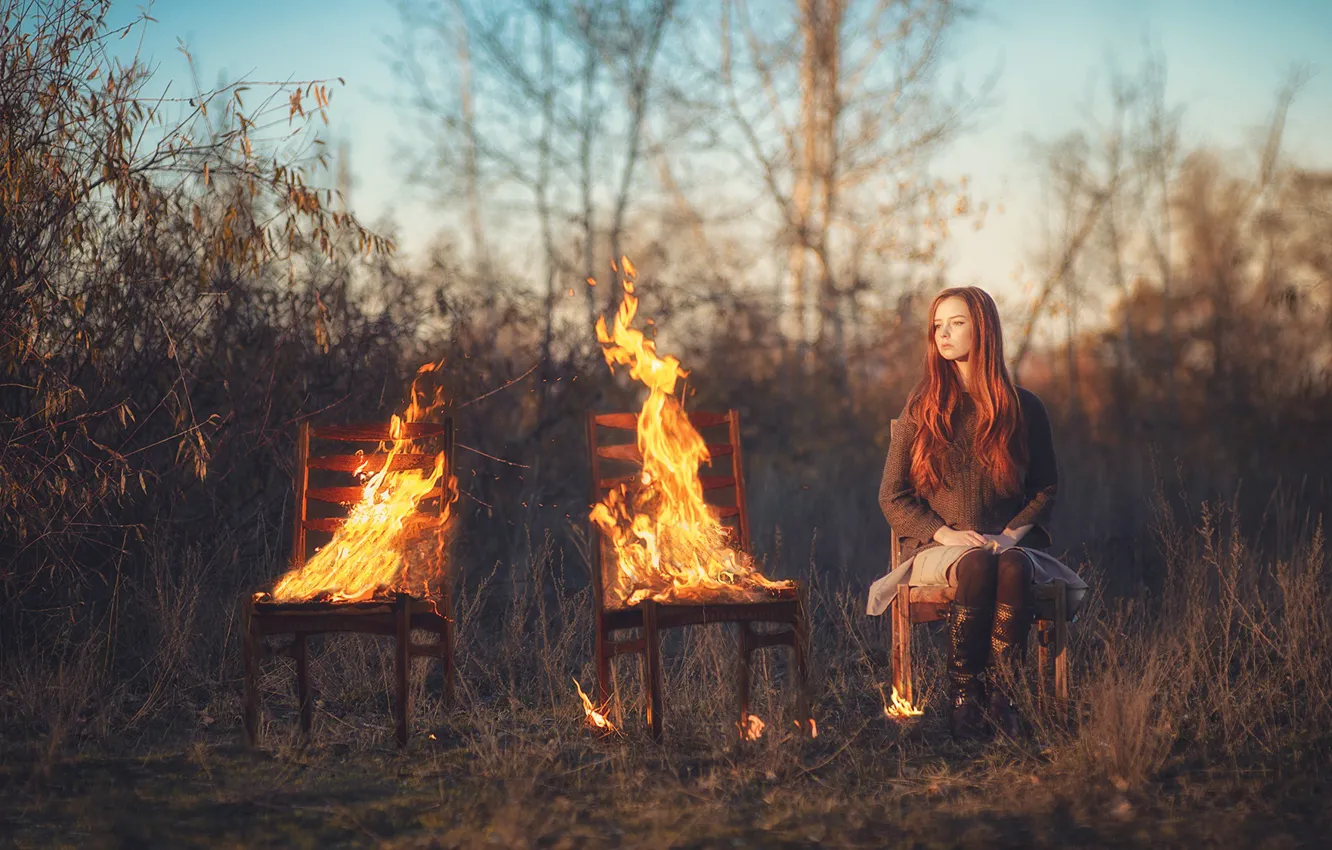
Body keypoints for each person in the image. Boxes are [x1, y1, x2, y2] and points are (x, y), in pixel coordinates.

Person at [866, 286, 1087, 739]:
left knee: (1004, 563)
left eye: (957, 323)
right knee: (978, 562)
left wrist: (1010, 535)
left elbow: (1045, 487)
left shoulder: (1025, 407)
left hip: (1007, 545)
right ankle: (964, 699)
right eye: (937, 326)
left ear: (982, 328)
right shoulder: (922, 405)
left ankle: (1004, 698)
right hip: (938, 549)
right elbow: (892, 495)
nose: (943, 334)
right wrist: (943, 533)